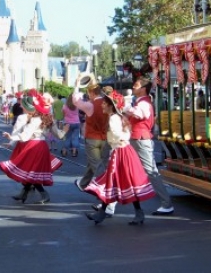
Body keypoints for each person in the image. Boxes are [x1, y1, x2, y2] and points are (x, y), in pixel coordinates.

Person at [84, 87, 155, 225]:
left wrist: (119, 139)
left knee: (116, 181)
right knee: (122, 181)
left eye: (105, 103)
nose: (103, 105)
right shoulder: (118, 117)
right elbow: (126, 133)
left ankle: (104, 213)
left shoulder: (113, 119)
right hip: (123, 151)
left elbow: (118, 134)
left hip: (121, 151)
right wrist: (122, 139)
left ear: (111, 105)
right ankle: (107, 212)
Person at [0, 91, 65, 205]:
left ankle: (44, 194)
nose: (22, 108)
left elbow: (25, 136)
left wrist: (11, 137)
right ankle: (24, 193)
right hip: (42, 146)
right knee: (31, 173)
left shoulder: (34, 119)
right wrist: (66, 130)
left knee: (31, 172)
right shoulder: (47, 118)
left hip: (33, 146)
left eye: (24, 106)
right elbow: (59, 135)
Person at [124, 76, 174, 215]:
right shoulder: (141, 102)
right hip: (136, 138)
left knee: (151, 171)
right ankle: (108, 204)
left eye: (136, 85)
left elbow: (141, 114)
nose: (133, 87)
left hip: (140, 139)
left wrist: (126, 106)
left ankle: (166, 203)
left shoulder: (144, 103)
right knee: (123, 168)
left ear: (143, 89)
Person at [72, 76, 116, 216]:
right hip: (105, 139)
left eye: (89, 93)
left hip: (92, 138)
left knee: (98, 167)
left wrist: (77, 85)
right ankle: (83, 183)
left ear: (92, 93)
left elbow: (76, 101)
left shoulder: (91, 105)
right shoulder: (107, 104)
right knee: (97, 163)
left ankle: (105, 197)